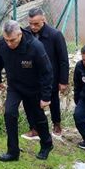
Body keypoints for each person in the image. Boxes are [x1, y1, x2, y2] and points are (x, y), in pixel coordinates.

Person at [0, 20, 54, 162]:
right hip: (14, 87)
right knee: (9, 114)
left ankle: (46, 144)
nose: (9, 43)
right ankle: (13, 151)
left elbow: (47, 72)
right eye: (6, 40)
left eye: (12, 40)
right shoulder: (2, 42)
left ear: (20, 34)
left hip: (34, 87)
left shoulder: (35, 47)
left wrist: (45, 96)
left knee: (38, 117)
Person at [23, 8, 69, 138]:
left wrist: (63, 80)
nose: (33, 27)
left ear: (44, 20)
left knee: (53, 100)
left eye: (36, 24)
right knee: (30, 102)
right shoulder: (25, 33)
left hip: (51, 76)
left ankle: (56, 124)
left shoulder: (55, 35)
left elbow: (63, 59)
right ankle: (34, 128)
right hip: (31, 76)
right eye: (31, 23)